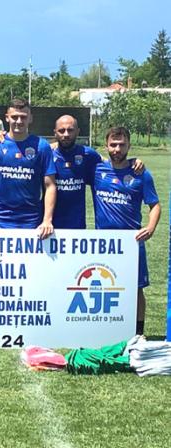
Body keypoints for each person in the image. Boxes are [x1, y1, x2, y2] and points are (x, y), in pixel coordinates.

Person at [92, 127, 160, 335]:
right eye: (113, 145)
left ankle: (138, 333)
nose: (117, 149)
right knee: (103, 286)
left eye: (122, 145)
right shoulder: (96, 170)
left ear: (129, 145)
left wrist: (150, 227)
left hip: (131, 241)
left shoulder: (141, 174)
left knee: (136, 288)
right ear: (106, 146)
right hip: (103, 243)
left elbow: (155, 205)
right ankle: (106, 330)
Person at [50, 115, 144, 229]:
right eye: (61, 131)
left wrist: (132, 162)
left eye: (70, 130)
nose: (66, 134)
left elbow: (111, 163)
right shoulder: (46, 154)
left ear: (78, 132)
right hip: (48, 225)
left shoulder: (88, 154)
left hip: (77, 227)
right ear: (55, 133)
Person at [0, 99, 57, 239]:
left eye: (23, 117)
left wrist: (47, 220)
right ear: (7, 118)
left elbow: (50, 185)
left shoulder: (41, 146)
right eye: (14, 117)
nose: (19, 121)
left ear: (30, 118)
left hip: (31, 220)